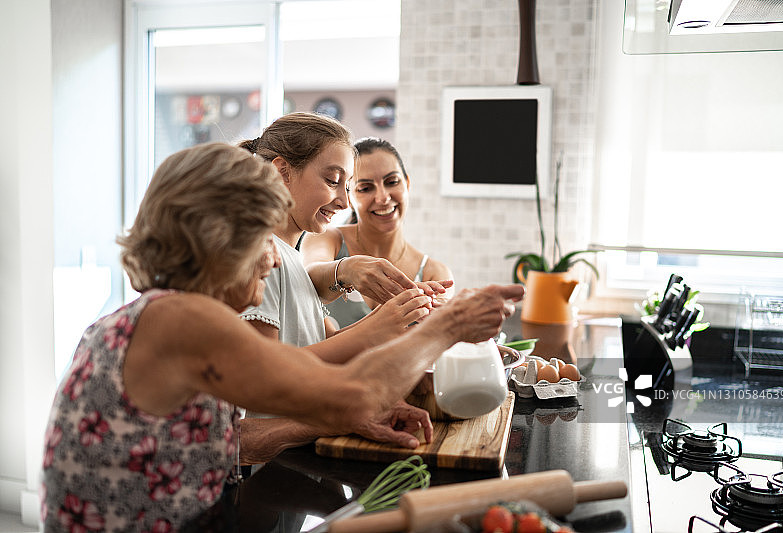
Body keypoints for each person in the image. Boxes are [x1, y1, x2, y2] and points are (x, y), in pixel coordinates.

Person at [40, 142, 524, 531]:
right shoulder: (182, 321)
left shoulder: (158, 317)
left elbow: (232, 441)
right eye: (261, 240)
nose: (274, 259)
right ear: (216, 236)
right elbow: (352, 392)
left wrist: (336, 419)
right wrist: (449, 326)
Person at [238, 113, 451, 352]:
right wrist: (378, 326)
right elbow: (268, 370)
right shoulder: (262, 255)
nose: (344, 203)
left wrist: (395, 315)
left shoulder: (289, 257)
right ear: (283, 172)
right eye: (332, 180)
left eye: (347, 186)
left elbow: (325, 345)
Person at [301, 137, 454, 329]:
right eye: (365, 188)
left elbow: (431, 343)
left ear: (407, 184)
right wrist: (347, 269)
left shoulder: (434, 274)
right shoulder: (328, 239)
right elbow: (308, 276)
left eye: (392, 182)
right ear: (349, 196)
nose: (383, 197)